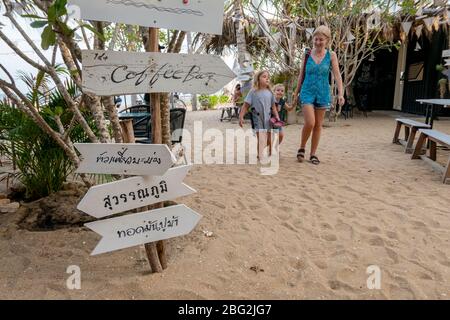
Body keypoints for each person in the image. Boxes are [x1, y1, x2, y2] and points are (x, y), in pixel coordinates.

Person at [292, 25, 345, 165]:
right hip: (307, 92)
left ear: (327, 40)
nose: (318, 42)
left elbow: (337, 75)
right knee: (310, 122)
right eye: (316, 39)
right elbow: (301, 75)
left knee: (318, 125)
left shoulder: (331, 55)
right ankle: (302, 147)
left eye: (321, 40)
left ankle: (313, 154)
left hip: (322, 93)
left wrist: (341, 93)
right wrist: (296, 92)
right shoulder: (307, 54)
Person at [239, 70, 280, 159]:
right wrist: (241, 116)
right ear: (258, 79)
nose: (267, 79)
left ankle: (269, 151)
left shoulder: (270, 92)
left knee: (269, 139)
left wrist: (277, 117)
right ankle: (260, 155)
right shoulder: (253, 92)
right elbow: (245, 105)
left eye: (268, 77)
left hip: (268, 118)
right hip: (257, 117)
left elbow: (273, 107)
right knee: (261, 137)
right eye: (264, 77)